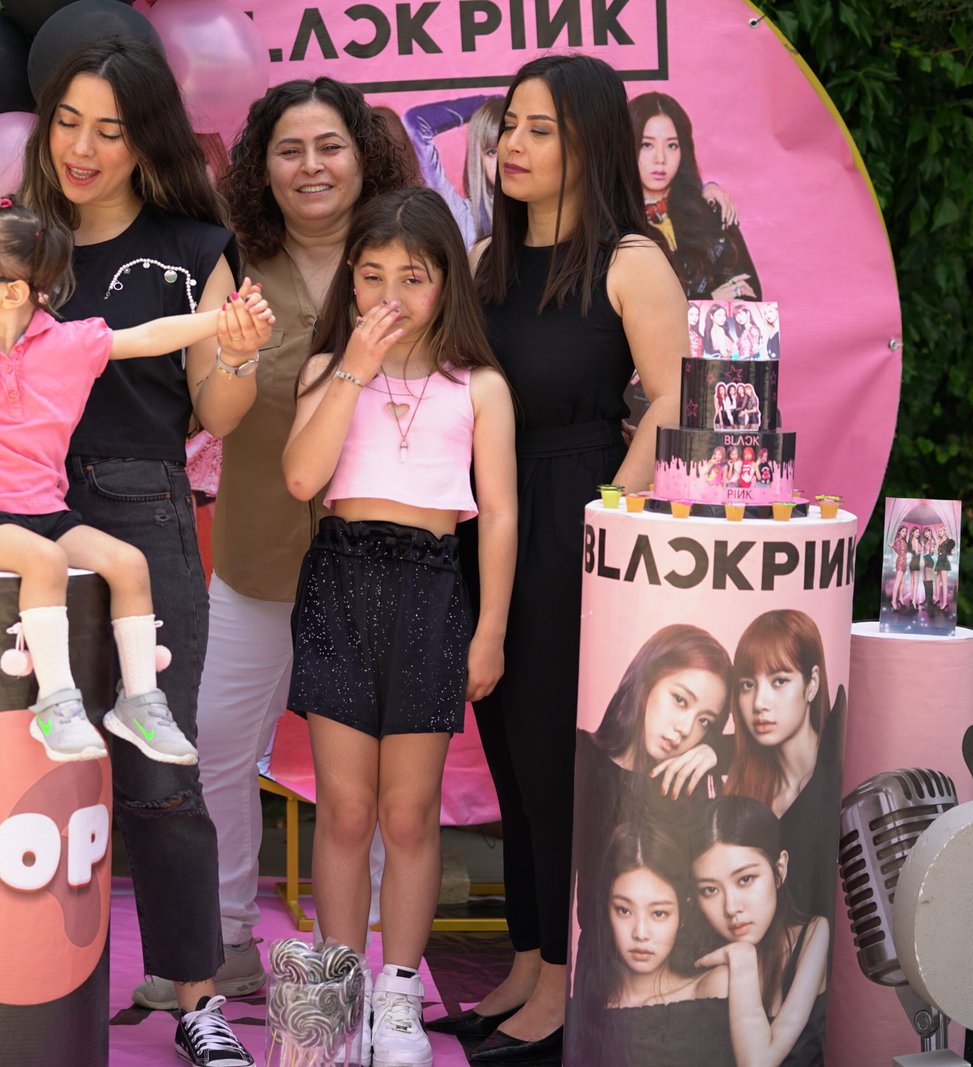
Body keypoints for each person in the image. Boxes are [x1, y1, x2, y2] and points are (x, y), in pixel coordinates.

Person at [0, 37, 260, 1067]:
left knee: (159, 764)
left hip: (136, 508)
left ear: (147, 142)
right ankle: (5, 989)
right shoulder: (3, 240)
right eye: (70, 124)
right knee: (11, 751)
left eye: (112, 130)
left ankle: (196, 999)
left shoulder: (191, 247)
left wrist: (238, 354)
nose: (84, 148)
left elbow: (220, 409)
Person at [125, 78, 418, 1016]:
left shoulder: (409, 259)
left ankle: (371, 958)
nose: (311, 167)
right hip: (257, 554)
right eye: (290, 150)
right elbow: (201, 396)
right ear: (261, 167)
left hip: (382, 557)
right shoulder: (232, 264)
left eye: (330, 146)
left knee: (373, 777)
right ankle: (222, 939)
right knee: (213, 747)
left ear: (364, 155)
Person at [455, 54, 687, 1063]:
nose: (513, 144)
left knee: (554, 763)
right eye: (509, 124)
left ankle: (562, 981)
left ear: (588, 143)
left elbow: (674, 400)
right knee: (507, 755)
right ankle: (524, 960)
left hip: (572, 520)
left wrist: (608, 514)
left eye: (539, 128)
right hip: (484, 519)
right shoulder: (483, 260)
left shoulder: (631, 260)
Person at [0, 202, 274, 766]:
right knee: (46, 562)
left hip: (44, 511)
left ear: (14, 293)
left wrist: (222, 321)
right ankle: (57, 704)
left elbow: (151, 336)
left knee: (128, 563)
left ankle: (140, 703)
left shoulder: (68, 344)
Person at [282, 187, 517, 1067]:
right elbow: (302, 478)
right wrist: (353, 364)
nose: (391, 294)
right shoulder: (326, 370)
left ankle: (400, 994)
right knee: (345, 808)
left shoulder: (479, 386)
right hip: (341, 581)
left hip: (431, 590)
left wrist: (489, 630)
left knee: (410, 812)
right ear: (350, 279)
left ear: (446, 281)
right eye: (372, 274)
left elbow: (500, 516)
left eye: (412, 277)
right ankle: (339, 993)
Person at [569, 820, 732, 1066]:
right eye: (624, 910)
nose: (641, 933)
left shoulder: (713, 987)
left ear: (682, 914)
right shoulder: (586, 1002)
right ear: (606, 909)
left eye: (659, 913)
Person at [722, 611, 846, 920]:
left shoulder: (833, 774)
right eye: (747, 685)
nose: (759, 703)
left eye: (779, 681)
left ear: (811, 683)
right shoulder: (747, 787)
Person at [691, 797, 829, 1067]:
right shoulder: (706, 962)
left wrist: (741, 957)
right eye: (710, 890)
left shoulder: (814, 933)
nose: (731, 908)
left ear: (780, 869)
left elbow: (759, 1063)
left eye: (745, 879)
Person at [630, 92, 762, 302]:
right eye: (647, 145)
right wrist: (709, 301)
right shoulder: (612, 222)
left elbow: (749, 297)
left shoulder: (711, 210)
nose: (660, 159)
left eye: (671, 145)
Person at [402, 94, 505, 245]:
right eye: (492, 152)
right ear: (479, 158)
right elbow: (416, 121)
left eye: (511, 148)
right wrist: (486, 103)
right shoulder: (463, 218)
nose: (504, 161)